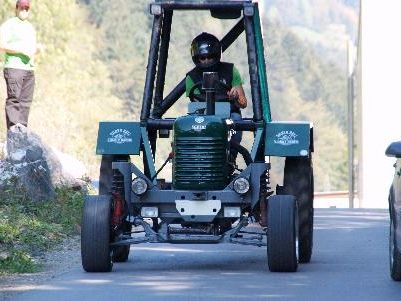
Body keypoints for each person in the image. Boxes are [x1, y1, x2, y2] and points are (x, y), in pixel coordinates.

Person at [186, 32, 248, 160]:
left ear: (217, 56)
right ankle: (192, 158)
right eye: (203, 58)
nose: (206, 61)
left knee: (236, 120)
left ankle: (230, 157)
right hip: (201, 115)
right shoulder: (191, 77)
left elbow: (243, 103)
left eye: (210, 57)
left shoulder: (230, 70)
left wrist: (235, 97)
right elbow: (194, 105)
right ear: (197, 58)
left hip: (229, 114)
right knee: (185, 125)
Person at [0, 0, 37, 130]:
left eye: (27, 8)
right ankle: (13, 132)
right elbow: (1, 44)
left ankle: (22, 131)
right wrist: (21, 50)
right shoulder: (9, 25)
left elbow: (32, 47)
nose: (24, 11)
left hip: (29, 69)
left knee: (26, 102)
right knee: (14, 100)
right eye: (22, 8)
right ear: (16, 8)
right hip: (14, 68)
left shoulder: (30, 27)